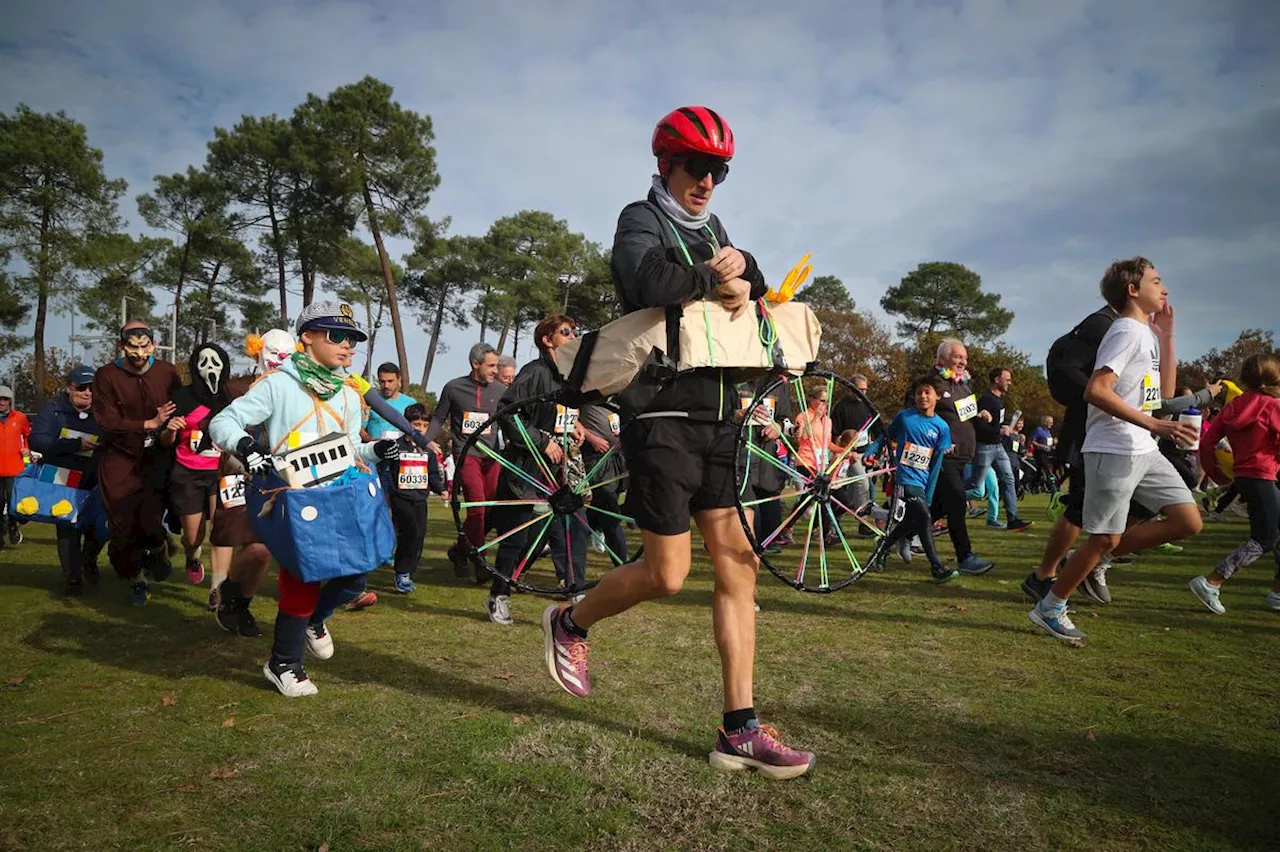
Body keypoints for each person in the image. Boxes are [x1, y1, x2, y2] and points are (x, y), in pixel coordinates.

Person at [541, 105, 815, 779]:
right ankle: (571, 623)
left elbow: (744, 276)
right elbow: (647, 282)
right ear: (667, 164)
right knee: (667, 575)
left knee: (738, 566)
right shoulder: (641, 218)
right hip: (661, 421)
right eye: (698, 168)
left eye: (719, 171)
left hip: (723, 420)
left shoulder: (714, 228)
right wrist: (715, 276)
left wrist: (745, 274)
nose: (708, 182)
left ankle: (740, 730)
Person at [210, 301, 400, 697]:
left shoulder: (349, 392)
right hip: (296, 499)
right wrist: (247, 447)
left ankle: (314, 619)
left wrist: (374, 451)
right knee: (302, 578)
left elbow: (348, 449)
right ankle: (284, 664)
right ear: (307, 338)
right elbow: (222, 421)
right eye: (337, 336)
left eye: (352, 339)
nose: (348, 346)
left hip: (342, 496)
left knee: (357, 575)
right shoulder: (280, 383)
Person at [1029, 258, 1202, 642]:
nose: (1166, 289)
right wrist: (1154, 424)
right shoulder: (1125, 331)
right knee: (1104, 537)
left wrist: (1168, 335)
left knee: (1188, 521)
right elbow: (1096, 390)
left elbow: (1164, 396)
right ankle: (1051, 607)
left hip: (1144, 448)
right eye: (1157, 281)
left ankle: (1090, 561)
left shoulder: (1146, 334)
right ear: (1133, 290)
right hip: (1115, 448)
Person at [489, 314, 588, 624]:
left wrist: (573, 425)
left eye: (574, 332)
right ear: (547, 340)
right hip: (524, 469)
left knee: (561, 533)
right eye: (565, 332)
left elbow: (554, 412)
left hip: (553, 473)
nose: (573, 337)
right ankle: (498, 596)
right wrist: (542, 441)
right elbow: (507, 412)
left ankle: (575, 590)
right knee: (516, 538)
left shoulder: (566, 375)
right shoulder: (535, 372)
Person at [92, 322, 180, 604]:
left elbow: (183, 406)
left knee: (152, 518)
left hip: (156, 457)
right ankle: (136, 578)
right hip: (119, 456)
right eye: (133, 346)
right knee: (122, 523)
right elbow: (106, 421)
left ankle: (157, 548)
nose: (139, 352)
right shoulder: (106, 375)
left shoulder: (167, 372)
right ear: (122, 346)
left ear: (154, 345)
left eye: (145, 346)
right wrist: (148, 423)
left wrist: (174, 427)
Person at [1189, 354, 1280, 614]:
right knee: (1263, 539)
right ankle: (1212, 581)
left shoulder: (1233, 406)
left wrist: (1219, 476)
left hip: (1244, 477)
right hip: (1266, 476)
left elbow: (1206, 443)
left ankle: (1277, 593)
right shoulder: (1274, 406)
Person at [864, 374, 957, 581]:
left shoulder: (942, 427)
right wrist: (872, 450)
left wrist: (930, 493)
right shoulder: (905, 417)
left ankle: (882, 548)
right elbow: (885, 437)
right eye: (918, 393)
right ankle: (936, 567)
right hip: (905, 478)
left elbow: (935, 464)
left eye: (927, 393)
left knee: (912, 520)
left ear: (937, 397)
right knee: (924, 517)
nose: (923, 396)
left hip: (922, 482)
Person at [424, 343, 505, 579]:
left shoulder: (500, 390)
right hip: (466, 454)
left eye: (496, 365)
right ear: (475, 364)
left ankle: (460, 550)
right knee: (476, 507)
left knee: (486, 511)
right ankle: (480, 562)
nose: (495, 370)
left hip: (493, 457)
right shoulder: (454, 387)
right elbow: (439, 418)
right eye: (491, 366)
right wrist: (424, 441)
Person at [27, 366, 104, 592]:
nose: (88, 392)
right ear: (69, 388)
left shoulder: (102, 411)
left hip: (95, 476)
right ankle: (73, 578)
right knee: (67, 527)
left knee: (97, 527)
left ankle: (89, 559)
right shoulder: (53, 410)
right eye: (82, 387)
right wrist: (74, 445)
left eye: (93, 388)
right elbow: (37, 440)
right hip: (61, 476)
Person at [163, 343, 234, 586]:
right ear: (195, 366)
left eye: (215, 362)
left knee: (221, 530)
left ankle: (219, 587)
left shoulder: (231, 397)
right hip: (188, 472)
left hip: (221, 473)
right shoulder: (181, 397)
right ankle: (193, 555)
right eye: (204, 363)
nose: (210, 368)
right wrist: (170, 430)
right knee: (193, 536)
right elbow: (165, 440)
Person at [923, 339, 995, 576]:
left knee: (937, 508)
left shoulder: (965, 384)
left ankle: (896, 538)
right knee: (956, 503)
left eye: (965, 357)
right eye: (958, 357)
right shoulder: (931, 383)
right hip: (943, 455)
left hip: (964, 455)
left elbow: (968, 414)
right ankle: (965, 557)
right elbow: (919, 415)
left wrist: (980, 414)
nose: (963, 361)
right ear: (942, 359)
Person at [385, 403, 445, 594]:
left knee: (419, 535)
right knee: (409, 532)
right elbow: (387, 470)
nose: (420, 429)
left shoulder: (428, 450)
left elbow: (433, 474)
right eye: (415, 424)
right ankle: (402, 572)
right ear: (406, 424)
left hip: (420, 498)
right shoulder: (396, 446)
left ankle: (408, 570)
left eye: (423, 425)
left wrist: (441, 489)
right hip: (400, 497)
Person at [965, 367, 1032, 531]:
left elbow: (992, 424)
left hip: (998, 447)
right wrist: (999, 430)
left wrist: (1000, 428)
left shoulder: (999, 401)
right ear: (997, 380)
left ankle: (1013, 519)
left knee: (1008, 479)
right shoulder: (986, 400)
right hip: (985, 448)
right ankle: (944, 497)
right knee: (975, 487)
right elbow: (978, 426)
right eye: (1007, 379)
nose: (1010, 382)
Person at [0, 384, 31, 549]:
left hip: (14, 468)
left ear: (9, 401)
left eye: (5, 399)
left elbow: (28, 436)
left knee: (13, 502)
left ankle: (13, 527)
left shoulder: (20, 418)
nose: (1, 402)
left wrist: (27, 449)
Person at [361, 362, 415, 442]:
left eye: (390, 381)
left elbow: (417, 430)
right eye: (382, 381)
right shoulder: (369, 401)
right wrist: (372, 440)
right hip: (374, 451)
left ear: (399, 379)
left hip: (401, 451)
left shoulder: (410, 403)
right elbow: (360, 430)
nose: (386, 386)